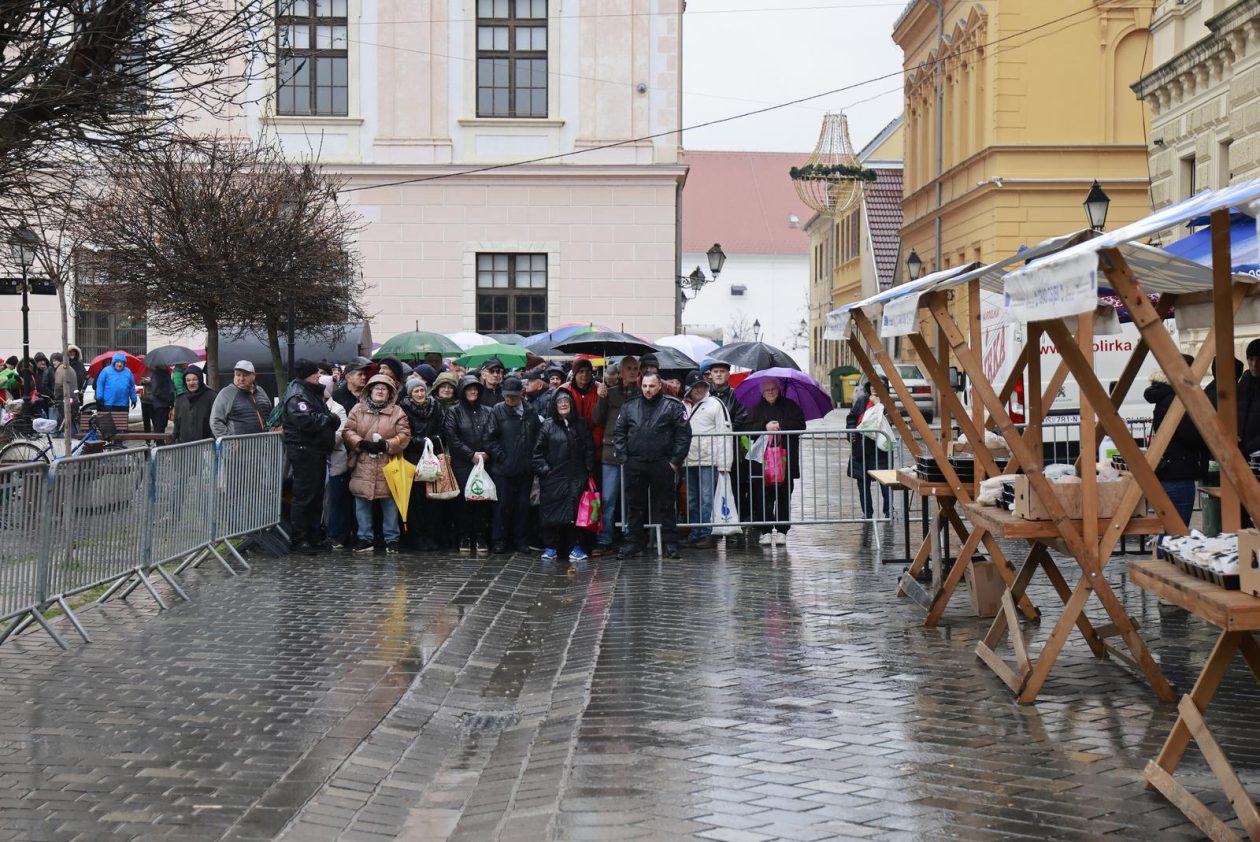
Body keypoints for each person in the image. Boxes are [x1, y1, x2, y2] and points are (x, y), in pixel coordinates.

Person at [613, 373, 691, 559]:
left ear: (659, 386)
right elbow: (619, 432)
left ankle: (670, 543)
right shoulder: (630, 406)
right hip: (635, 462)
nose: (648, 390)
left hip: (662, 463)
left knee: (667, 504)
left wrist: (674, 462)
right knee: (635, 505)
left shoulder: (673, 406)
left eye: (652, 386)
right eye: (645, 386)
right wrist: (624, 458)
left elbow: (683, 434)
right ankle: (634, 543)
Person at [342, 373, 411, 553]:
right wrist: (361, 443)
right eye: (377, 388)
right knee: (362, 503)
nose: (380, 391)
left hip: (388, 464)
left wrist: (387, 444)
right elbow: (348, 430)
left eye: (384, 389)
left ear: (390, 393)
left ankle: (392, 539)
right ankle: (364, 538)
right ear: (370, 391)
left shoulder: (397, 412)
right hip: (363, 463)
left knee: (390, 505)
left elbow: (405, 435)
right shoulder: (357, 409)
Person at [281, 360, 341, 555]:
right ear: (308, 375)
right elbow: (306, 420)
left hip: (316, 450)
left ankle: (314, 536)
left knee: (315, 496)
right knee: (304, 496)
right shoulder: (298, 395)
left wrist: (329, 419)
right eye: (316, 373)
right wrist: (329, 419)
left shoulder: (311, 392)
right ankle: (300, 539)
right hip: (304, 450)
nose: (319, 376)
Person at [1145, 355, 1208, 528]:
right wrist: (1208, 435)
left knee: (1170, 528)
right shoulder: (1176, 400)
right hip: (1179, 472)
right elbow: (1189, 436)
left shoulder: (1164, 396)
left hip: (1169, 470)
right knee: (1177, 529)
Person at [532, 389, 596, 563]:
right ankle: (550, 547)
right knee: (550, 513)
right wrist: (546, 471)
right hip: (553, 478)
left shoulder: (580, 424)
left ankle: (576, 547)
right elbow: (537, 453)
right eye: (559, 402)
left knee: (576, 514)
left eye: (566, 401)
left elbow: (589, 449)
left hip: (577, 477)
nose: (563, 404)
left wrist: (588, 470)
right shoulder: (547, 426)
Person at [486, 375, 541, 554]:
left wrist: (533, 458)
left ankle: (520, 540)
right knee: (502, 507)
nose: (509, 399)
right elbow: (489, 438)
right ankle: (499, 540)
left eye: (513, 396)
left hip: (525, 468)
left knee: (522, 507)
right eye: (507, 396)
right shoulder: (498, 410)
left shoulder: (530, 411)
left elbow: (538, 436)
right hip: (503, 469)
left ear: (521, 394)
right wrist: (502, 457)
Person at [748, 378, 806, 545]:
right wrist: (764, 426)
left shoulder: (791, 406)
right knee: (763, 496)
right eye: (767, 390)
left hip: (785, 461)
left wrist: (781, 425)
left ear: (778, 390)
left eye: (773, 389)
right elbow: (747, 428)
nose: (771, 392)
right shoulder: (755, 409)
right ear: (762, 393)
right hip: (762, 463)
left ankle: (782, 530)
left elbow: (801, 425)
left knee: (784, 496)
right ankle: (765, 530)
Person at [591, 355, 639, 554]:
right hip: (611, 452)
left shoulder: (642, 393)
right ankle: (605, 538)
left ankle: (631, 537)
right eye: (628, 368)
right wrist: (601, 398)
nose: (632, 372)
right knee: (609, 498)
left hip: (633, 453)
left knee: (632, 498)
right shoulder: (609, 393)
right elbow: (597, 418)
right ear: (620, 372)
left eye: (635, 368)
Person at [444, 374, 494, 553]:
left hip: (483, 462)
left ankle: (481, 537)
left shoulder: (488, 411)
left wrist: (486, 452)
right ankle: (464, 537)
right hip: (462, 463)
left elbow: (492, 433)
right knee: (464, 502)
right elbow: (452, 437)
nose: (473, 392)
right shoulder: (454, 411)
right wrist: (470, 455)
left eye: (475, 389)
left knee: (482, 500)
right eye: (469, 389)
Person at [683, 372, 734, 548]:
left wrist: (724, 463)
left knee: (707, 499)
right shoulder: (683, 405)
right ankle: (695, 531)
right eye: (695, 387)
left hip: (708, 460)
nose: (699, 390)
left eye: (702, 386)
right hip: (688, 460)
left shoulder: (716, 404)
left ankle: (706, 532)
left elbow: (724, 433)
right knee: (692, 499)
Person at [706, 359, 753, 546]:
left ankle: (734, 526)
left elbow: (743, 417)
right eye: (715, 371)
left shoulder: (736, 395)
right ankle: (712, 527)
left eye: (722, 371)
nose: (718, 374)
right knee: (710, 489)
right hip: (709, 450)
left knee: (735, 489)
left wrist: (725, 429)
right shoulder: (705, 395)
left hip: (731, 450)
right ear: (710, 375)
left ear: (728, 374)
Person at [400, 375, 444, 551]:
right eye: (416, 391)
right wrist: (419, 441)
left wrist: (433, 440)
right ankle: (417, 536)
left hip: (432, 457)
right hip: (412, 458)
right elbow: (404, 433)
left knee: (432, 500)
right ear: (410, 394)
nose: (420, 394)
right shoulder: (403, 408)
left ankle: (431, 535)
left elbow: (442, 429)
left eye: (422, 390)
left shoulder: (435, 407)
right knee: (416, 501)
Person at [847, 381, 892, 520]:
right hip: (861, 448)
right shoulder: (862, 401)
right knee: (862, 482)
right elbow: (851, 419)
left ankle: (888, 511)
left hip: (880, 450)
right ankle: (867, 513)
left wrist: (879, 405)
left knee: (886, 482)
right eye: (872, 385)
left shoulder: (887, 403)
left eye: (877, 385)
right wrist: (851, 434)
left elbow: (890, 420)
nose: (874, 387)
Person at [210, 360, 271, 437]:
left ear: (254, 375)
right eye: (238, 375)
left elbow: (270, 414)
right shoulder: (226, 393)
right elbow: (215, 421)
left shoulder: (260, 391)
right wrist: (229, 442)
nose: (241, 379)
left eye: (245, 375)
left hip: (265, 443)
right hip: (240, 444)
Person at [562, 358, 604, 462]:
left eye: (587, 371)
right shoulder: (564, 390)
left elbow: (602, 419)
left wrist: (594, 441)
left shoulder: (600, 389)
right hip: (571, 444)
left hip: (595, 445)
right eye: (581, 371)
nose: (585, 374)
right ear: (575, 373)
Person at [171, 365, 215, 443]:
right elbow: (177, 423)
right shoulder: (181, 399)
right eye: (188, 380)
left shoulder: (211, 396)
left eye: (195, 379)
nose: (191, 383)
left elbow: (215, 421)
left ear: (200, 379)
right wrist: (173, 440)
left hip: (205, 444)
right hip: (184, 444)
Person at [95, 352, 138, 417]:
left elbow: (132, 387)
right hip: (109, 403)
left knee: (121, 423)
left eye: (122, 362)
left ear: (124, 363)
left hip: (123, 404)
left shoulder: (128, 372)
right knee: (109, 423)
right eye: (118, 362)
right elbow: (100, 384)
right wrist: (99, 397)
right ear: (114, 362)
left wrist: (134, 399)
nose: (119, 364)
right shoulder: (106, 371)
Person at [50, 352, 77, 432]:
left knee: (63, 420)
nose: (53, 363)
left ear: (60, 360)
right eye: (53, 361)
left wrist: (56, 398)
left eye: (55, 360)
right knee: (69, 420)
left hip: (64, 398)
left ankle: (62, 435)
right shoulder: (70, 368)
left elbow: (58, 386)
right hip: (73, 398)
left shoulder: (61, 368)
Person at [143, 365, 174, 434]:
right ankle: (159, 440)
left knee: (163, 425)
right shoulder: (157, 374)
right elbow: (156, 391)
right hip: (160, 404)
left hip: (165, 404)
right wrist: (169, 399)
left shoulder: (165, 373)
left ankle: (159, 439)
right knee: (160, 426)